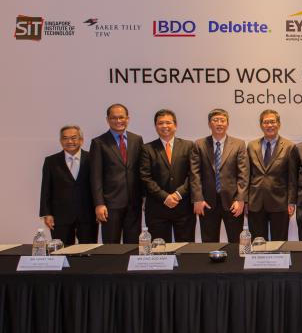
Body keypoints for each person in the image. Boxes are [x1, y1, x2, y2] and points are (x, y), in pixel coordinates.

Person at [190, 108, 249, 243]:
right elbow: (195, 174)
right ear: (209, 124)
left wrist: (240, 199)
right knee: (209, 243)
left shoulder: (239, 144)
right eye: (215, 120)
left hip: (233, 202)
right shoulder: (199, 144)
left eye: (222, 120)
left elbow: (243, 174)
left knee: (236, 243)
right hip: (207, 202)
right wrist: (198, 198)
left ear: (227, 124)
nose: (219, 123)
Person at [89, 103, 144, 244]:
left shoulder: (137, 139)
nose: (118, 121)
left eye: (121, 117)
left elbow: (141, 170)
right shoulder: (99, 142)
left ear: (128, 118)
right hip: (110, 205)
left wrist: (144, 197)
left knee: (133, 245)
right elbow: (95, 176)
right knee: (111, 246)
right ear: (108, 120)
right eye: (114, 118)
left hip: (134, 203)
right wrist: (99, 204)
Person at [139, 109, 196, 243]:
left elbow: (193, 174)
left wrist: (178, 194)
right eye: (160, 123)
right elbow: (145, 177)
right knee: (159, 249)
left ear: (175, 125)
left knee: (186, 248)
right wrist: (165, 197)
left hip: (183, 207)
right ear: (156, 126)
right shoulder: (147, 149)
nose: (164, 126)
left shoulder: (188, 146)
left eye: (168, 122)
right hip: (157, 208)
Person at [39, 125, 97, 244]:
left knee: (89, 251)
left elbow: (99, 185)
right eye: (65, 138)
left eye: (73, 138)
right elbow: (46, 189)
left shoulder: (93, 158)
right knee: (62, 251)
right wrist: (47, 213)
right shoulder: (51, 161)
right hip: (60, 216)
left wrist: (100, 206)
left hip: (88, 214)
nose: (69, 141)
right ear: (61, 141)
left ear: (81, 140)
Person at [246, 109, 298, 241]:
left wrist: (291, 201)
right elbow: (247, 175)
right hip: (255, 202)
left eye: (273, 122)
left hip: (280, 202)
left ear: (279, 124)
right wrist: (245, 200)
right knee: (257, 243)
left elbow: (292, 178)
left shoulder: (289, 146)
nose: (269, 125)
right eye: (266, 122)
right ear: (261, 125)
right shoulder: (252, 146)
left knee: (279, 243)